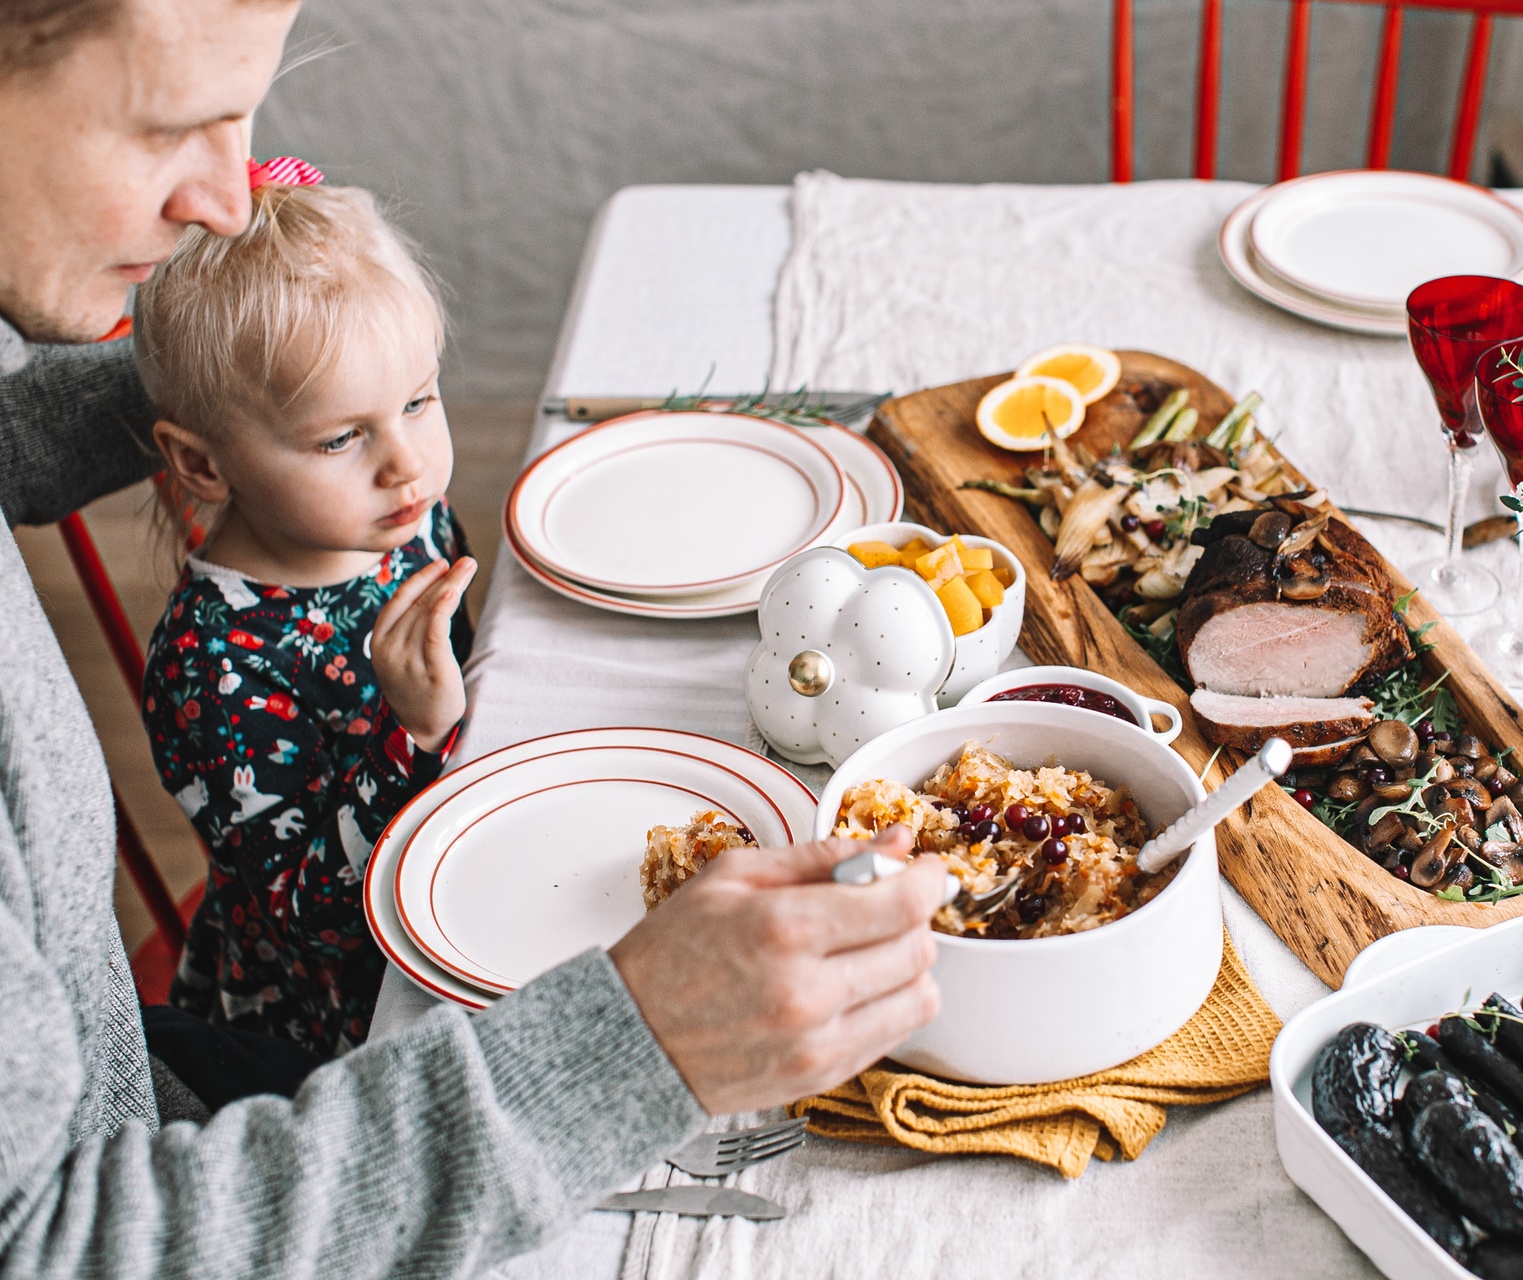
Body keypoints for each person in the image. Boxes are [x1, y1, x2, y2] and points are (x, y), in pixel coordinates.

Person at [0, 1, 948, 1276]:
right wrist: (634, 1045)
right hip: (253, 1081)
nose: (230, 199)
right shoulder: (215, 664)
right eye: (173, 126)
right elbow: (61, 1242)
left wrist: (270, 363)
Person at [139, 175, 477, 1057]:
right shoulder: (212, 665)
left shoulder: (399, 517)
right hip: (333, 1029)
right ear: (203, 466)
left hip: (465, 865)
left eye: (418, 400)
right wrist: (413, 734)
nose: (407, 465)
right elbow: (311, 921)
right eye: (340, 438)